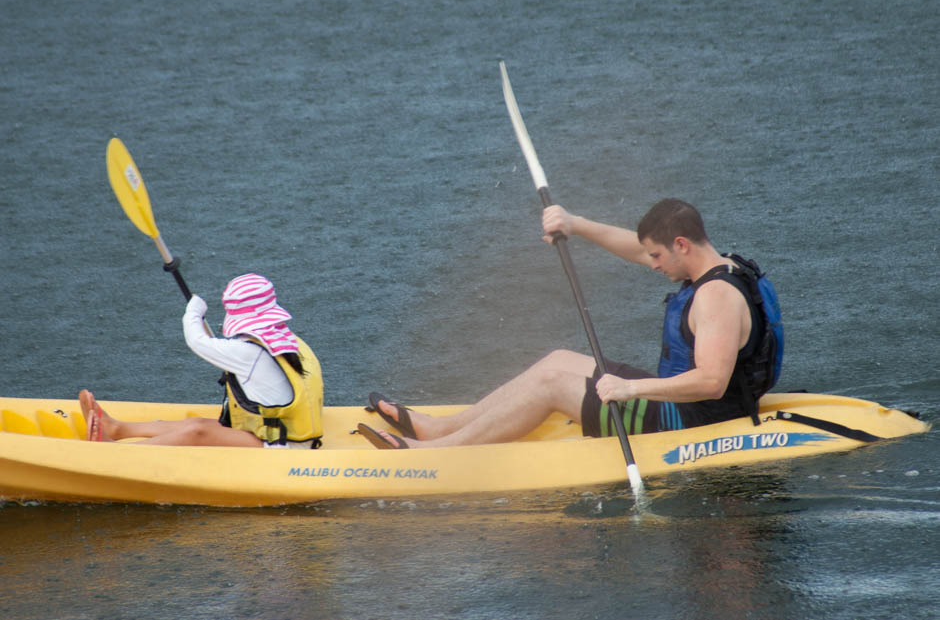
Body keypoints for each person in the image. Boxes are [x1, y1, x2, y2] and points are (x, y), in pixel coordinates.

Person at [357, 198, 782, 449]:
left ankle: (433, 454)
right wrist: (574, 225)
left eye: (656, 256)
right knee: (557, 359)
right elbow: (633, 248)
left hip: (694, 421)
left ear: (682, 245)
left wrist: (630, 388)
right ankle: (439, 428)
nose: (650, 264)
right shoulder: (714, 266)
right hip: (683, 401)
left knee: (552, 385)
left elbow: (711, 381)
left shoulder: (717, 298)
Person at [80, 273, 324, 448]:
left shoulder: (249, 352)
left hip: (284, 447)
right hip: (286, 433)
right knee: (198, 422)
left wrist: (193, 311)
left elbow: (198, 342)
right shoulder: (287, 339)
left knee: (199, 432)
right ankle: (119, 428)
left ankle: (117, 453)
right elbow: (231, 354)